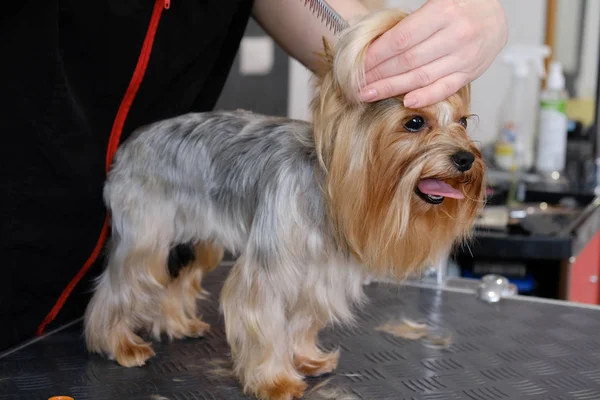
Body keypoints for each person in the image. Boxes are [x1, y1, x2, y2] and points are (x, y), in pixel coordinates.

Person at [0, 0, 507, 351]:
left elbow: (348, 44)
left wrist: (455, 32)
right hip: (32, 193)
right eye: (415, 125)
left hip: (173, 146)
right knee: (141, 260)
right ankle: (113, 327)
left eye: (460, 125)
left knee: (194, 252)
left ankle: (174, 317)